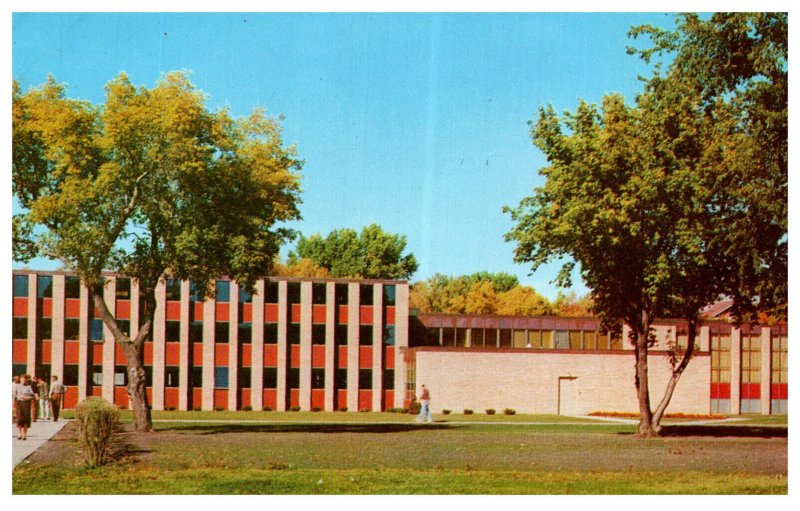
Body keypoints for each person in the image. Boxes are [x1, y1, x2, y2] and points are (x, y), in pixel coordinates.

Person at [13, 374, 36, 440]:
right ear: (20, 379)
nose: (23, 380)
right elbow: (14, 395)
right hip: (19, 403)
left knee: (26, 419)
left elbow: (32, 396)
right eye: (22, 379)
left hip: (26, 403)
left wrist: (27, 397)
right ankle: (20, 434)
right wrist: (13, 405)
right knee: (19, 419)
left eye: (24, 379)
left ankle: (25, 435)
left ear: (26, 380)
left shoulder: (29, 387)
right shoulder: (17, 386)